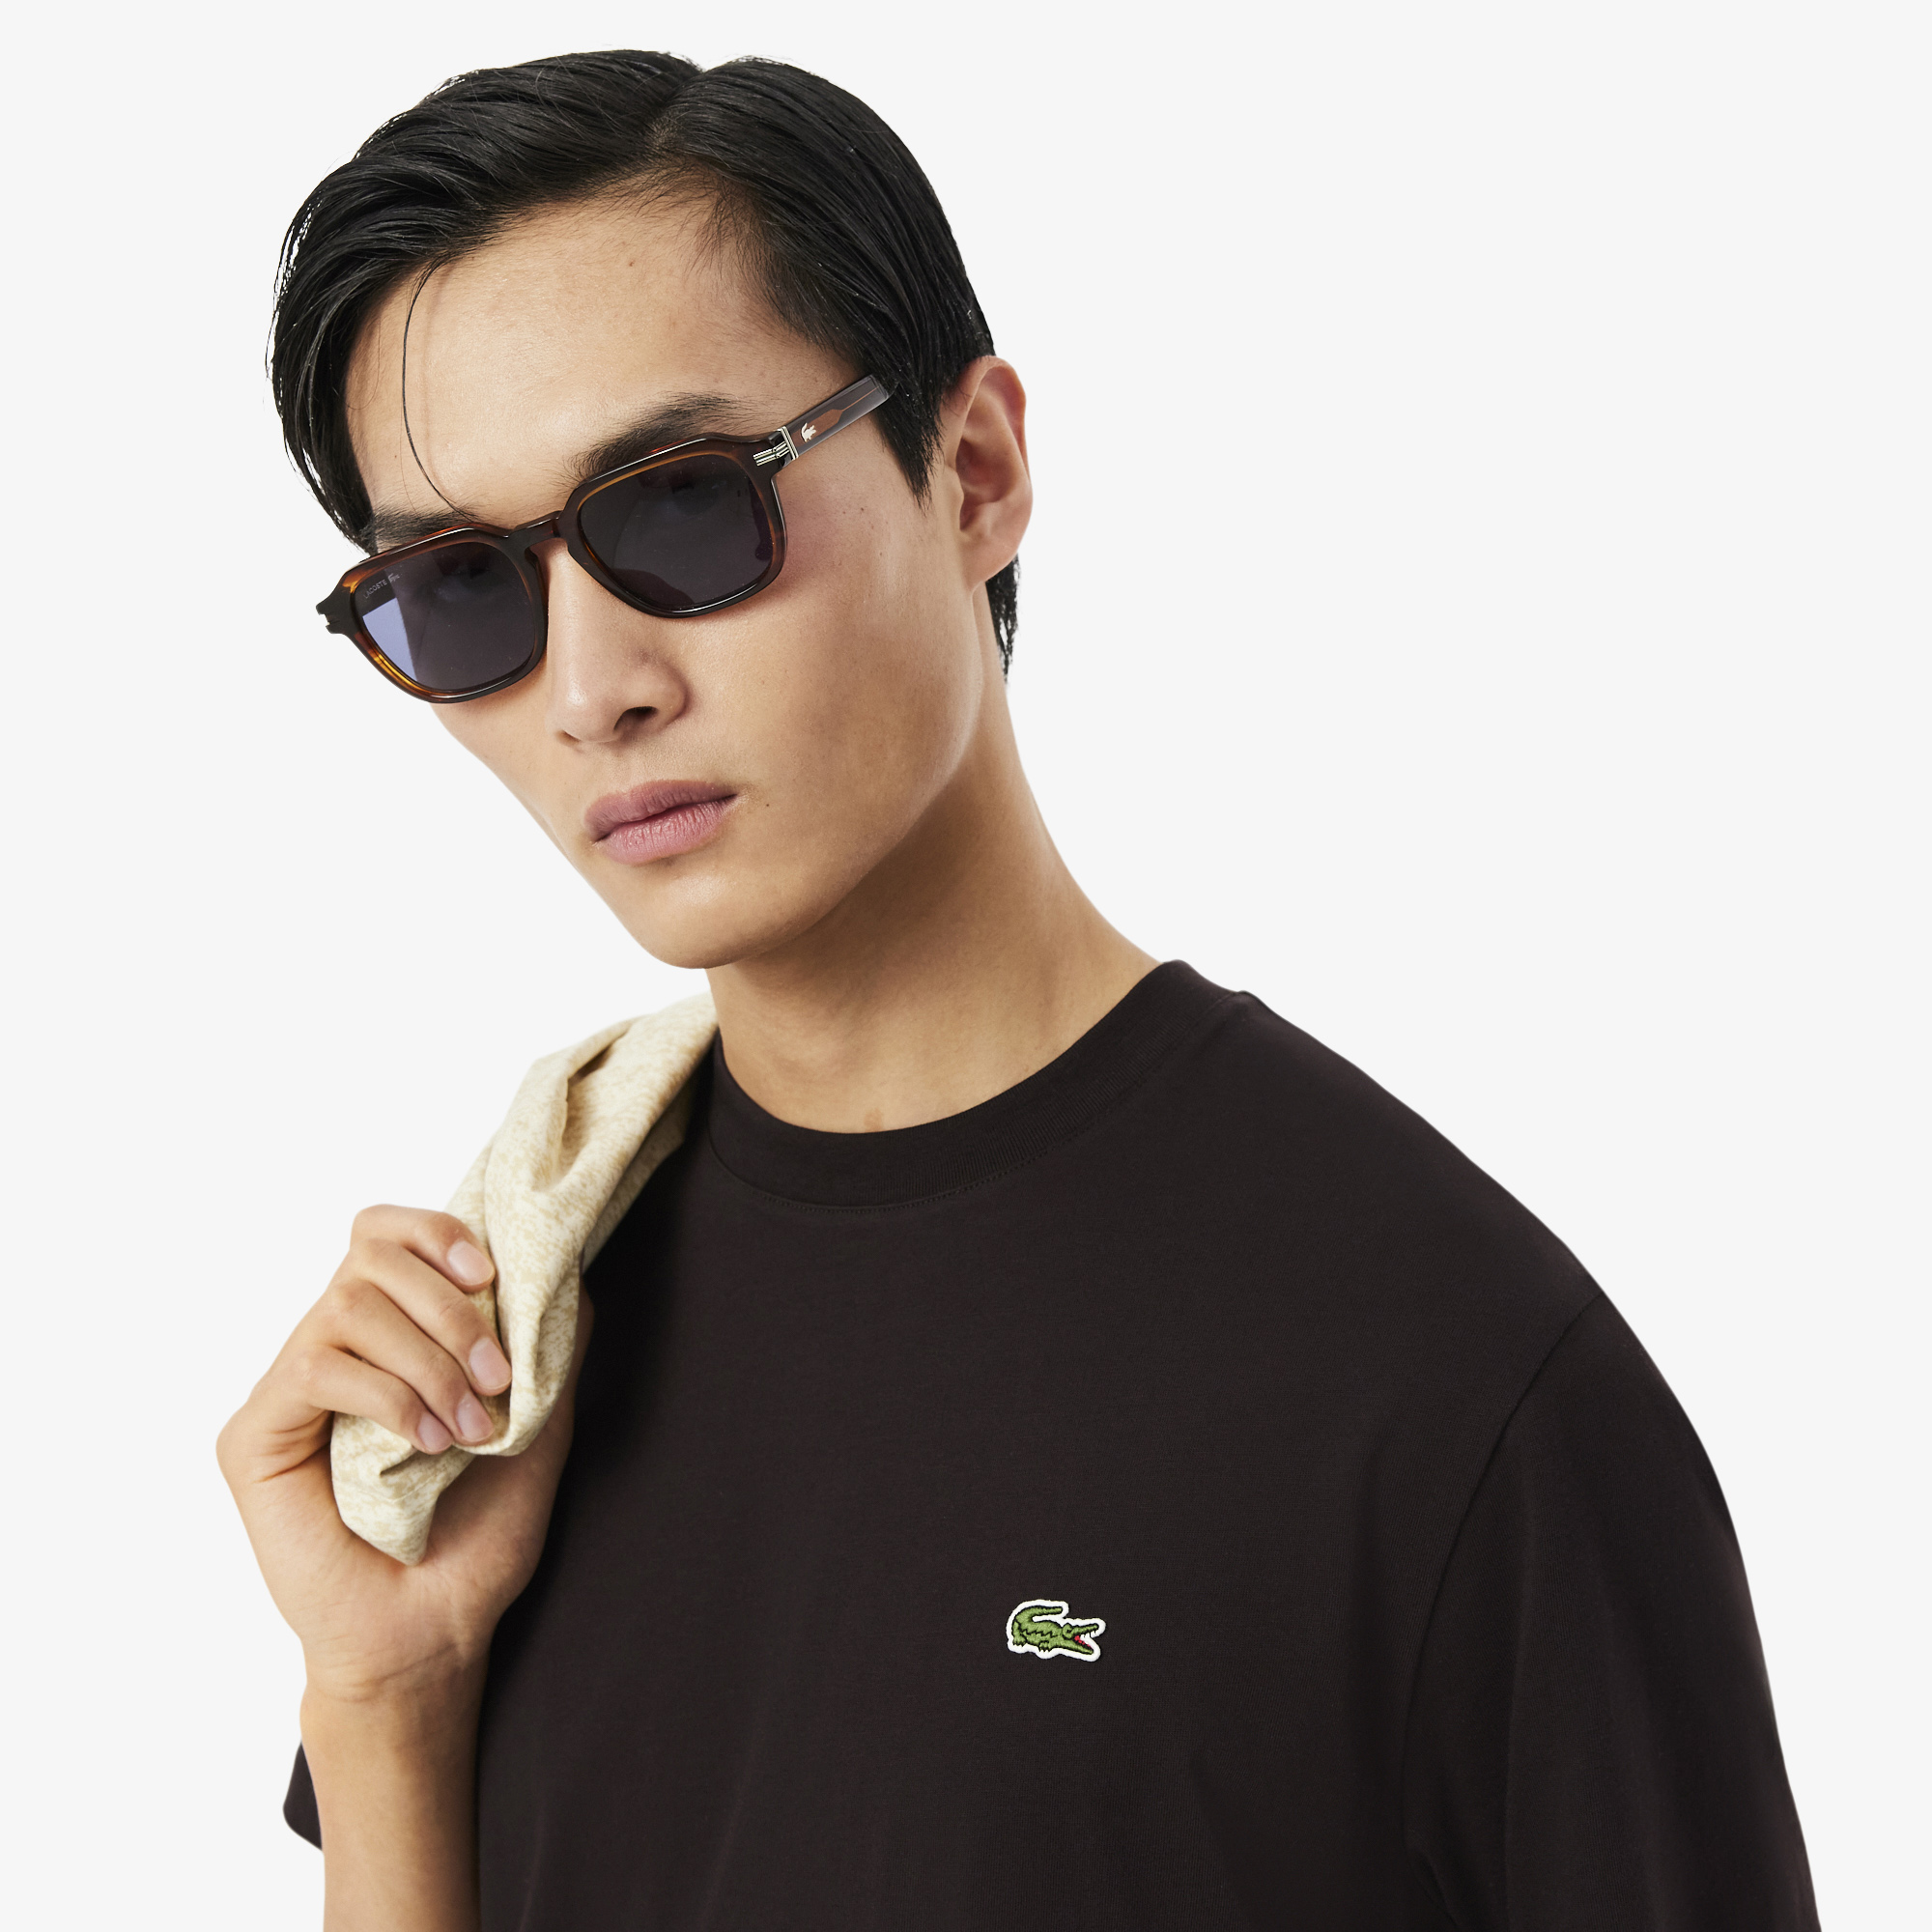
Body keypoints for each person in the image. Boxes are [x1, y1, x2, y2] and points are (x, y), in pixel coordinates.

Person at [217, 50, 1819, 1932]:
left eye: (683, 507)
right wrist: (385, 1697)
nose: (591, 689)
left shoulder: (1449, 1384)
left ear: (973, 472)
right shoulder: (521, 1331)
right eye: (465, 587)